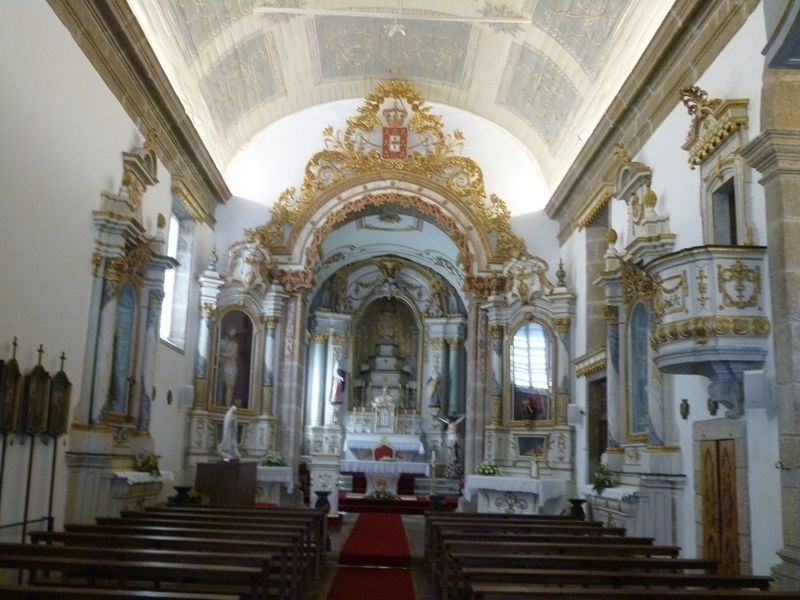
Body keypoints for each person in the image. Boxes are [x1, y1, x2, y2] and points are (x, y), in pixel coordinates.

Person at [219, 328, 238, 406]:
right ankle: (227, 405)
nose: (232, 334)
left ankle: (228, 405)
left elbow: (230, 354)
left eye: (234, 332)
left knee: (231, 387)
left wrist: (219, 353)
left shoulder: (235, 344)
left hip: (233, 367)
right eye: (231, 331)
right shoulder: (223, 342)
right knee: (228, 387)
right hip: (226, 367)